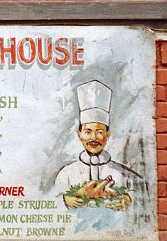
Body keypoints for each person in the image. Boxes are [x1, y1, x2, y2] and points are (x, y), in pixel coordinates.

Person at [53, 80, 144, 210]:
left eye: (100, 132)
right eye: (88, 132)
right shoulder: (66, 174)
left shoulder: (124, 174)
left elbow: (144, 199)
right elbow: (51, 203)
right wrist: (67, 200)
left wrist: (129, 199)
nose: (94, 138)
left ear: (108, 134)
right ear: (79, 134)